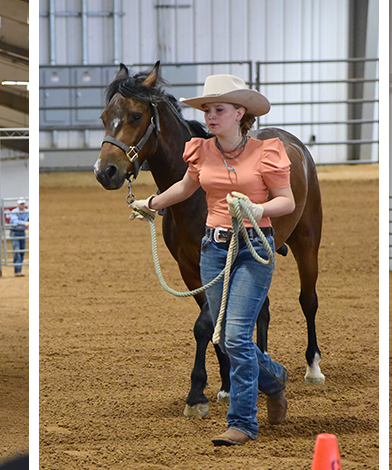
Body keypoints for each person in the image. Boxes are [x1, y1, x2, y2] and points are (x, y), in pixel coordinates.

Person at [129, 74, 293, 446]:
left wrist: (257, 207)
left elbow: (287, 201)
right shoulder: (200, 150)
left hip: (254, 246)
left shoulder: (267, 152)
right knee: (224, 336)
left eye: (218, 109)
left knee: (235, 336)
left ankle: (242, 423)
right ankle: (275, 378)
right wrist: (149, 204)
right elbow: (186, 187)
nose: (210, 116)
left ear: (240, 113)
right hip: (214, 249)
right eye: (207, 110)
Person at [7, 198, 29, 277]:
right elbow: (14, 221)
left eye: (23, 204)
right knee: (17, 251)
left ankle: (19, 270)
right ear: (18, 204)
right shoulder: (14, 212)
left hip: (22, 233)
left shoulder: (27, 212)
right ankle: (17, 270)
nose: (22, 205)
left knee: (22, 252)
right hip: (15, 232)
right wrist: (24, 223)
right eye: (21, 204)